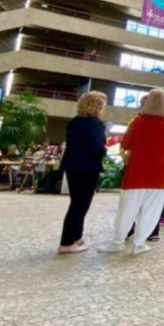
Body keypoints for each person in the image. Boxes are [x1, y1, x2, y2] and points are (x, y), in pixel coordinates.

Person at [99, 89, 164, 256]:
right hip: (160, 173)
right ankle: (139, 243)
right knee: (152, 209)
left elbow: (126, 144)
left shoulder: (137, 122)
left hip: (137, 171)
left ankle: (118, 241)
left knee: (127, 208)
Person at [57, 92, 108, 255]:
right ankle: (66, 243)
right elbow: (96, 147)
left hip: (72, 166)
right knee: (79, 206)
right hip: (88, 168)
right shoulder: (96, 124)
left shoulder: (74, 122)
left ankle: (76, 235)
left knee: (76, 202)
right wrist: (105, 149)